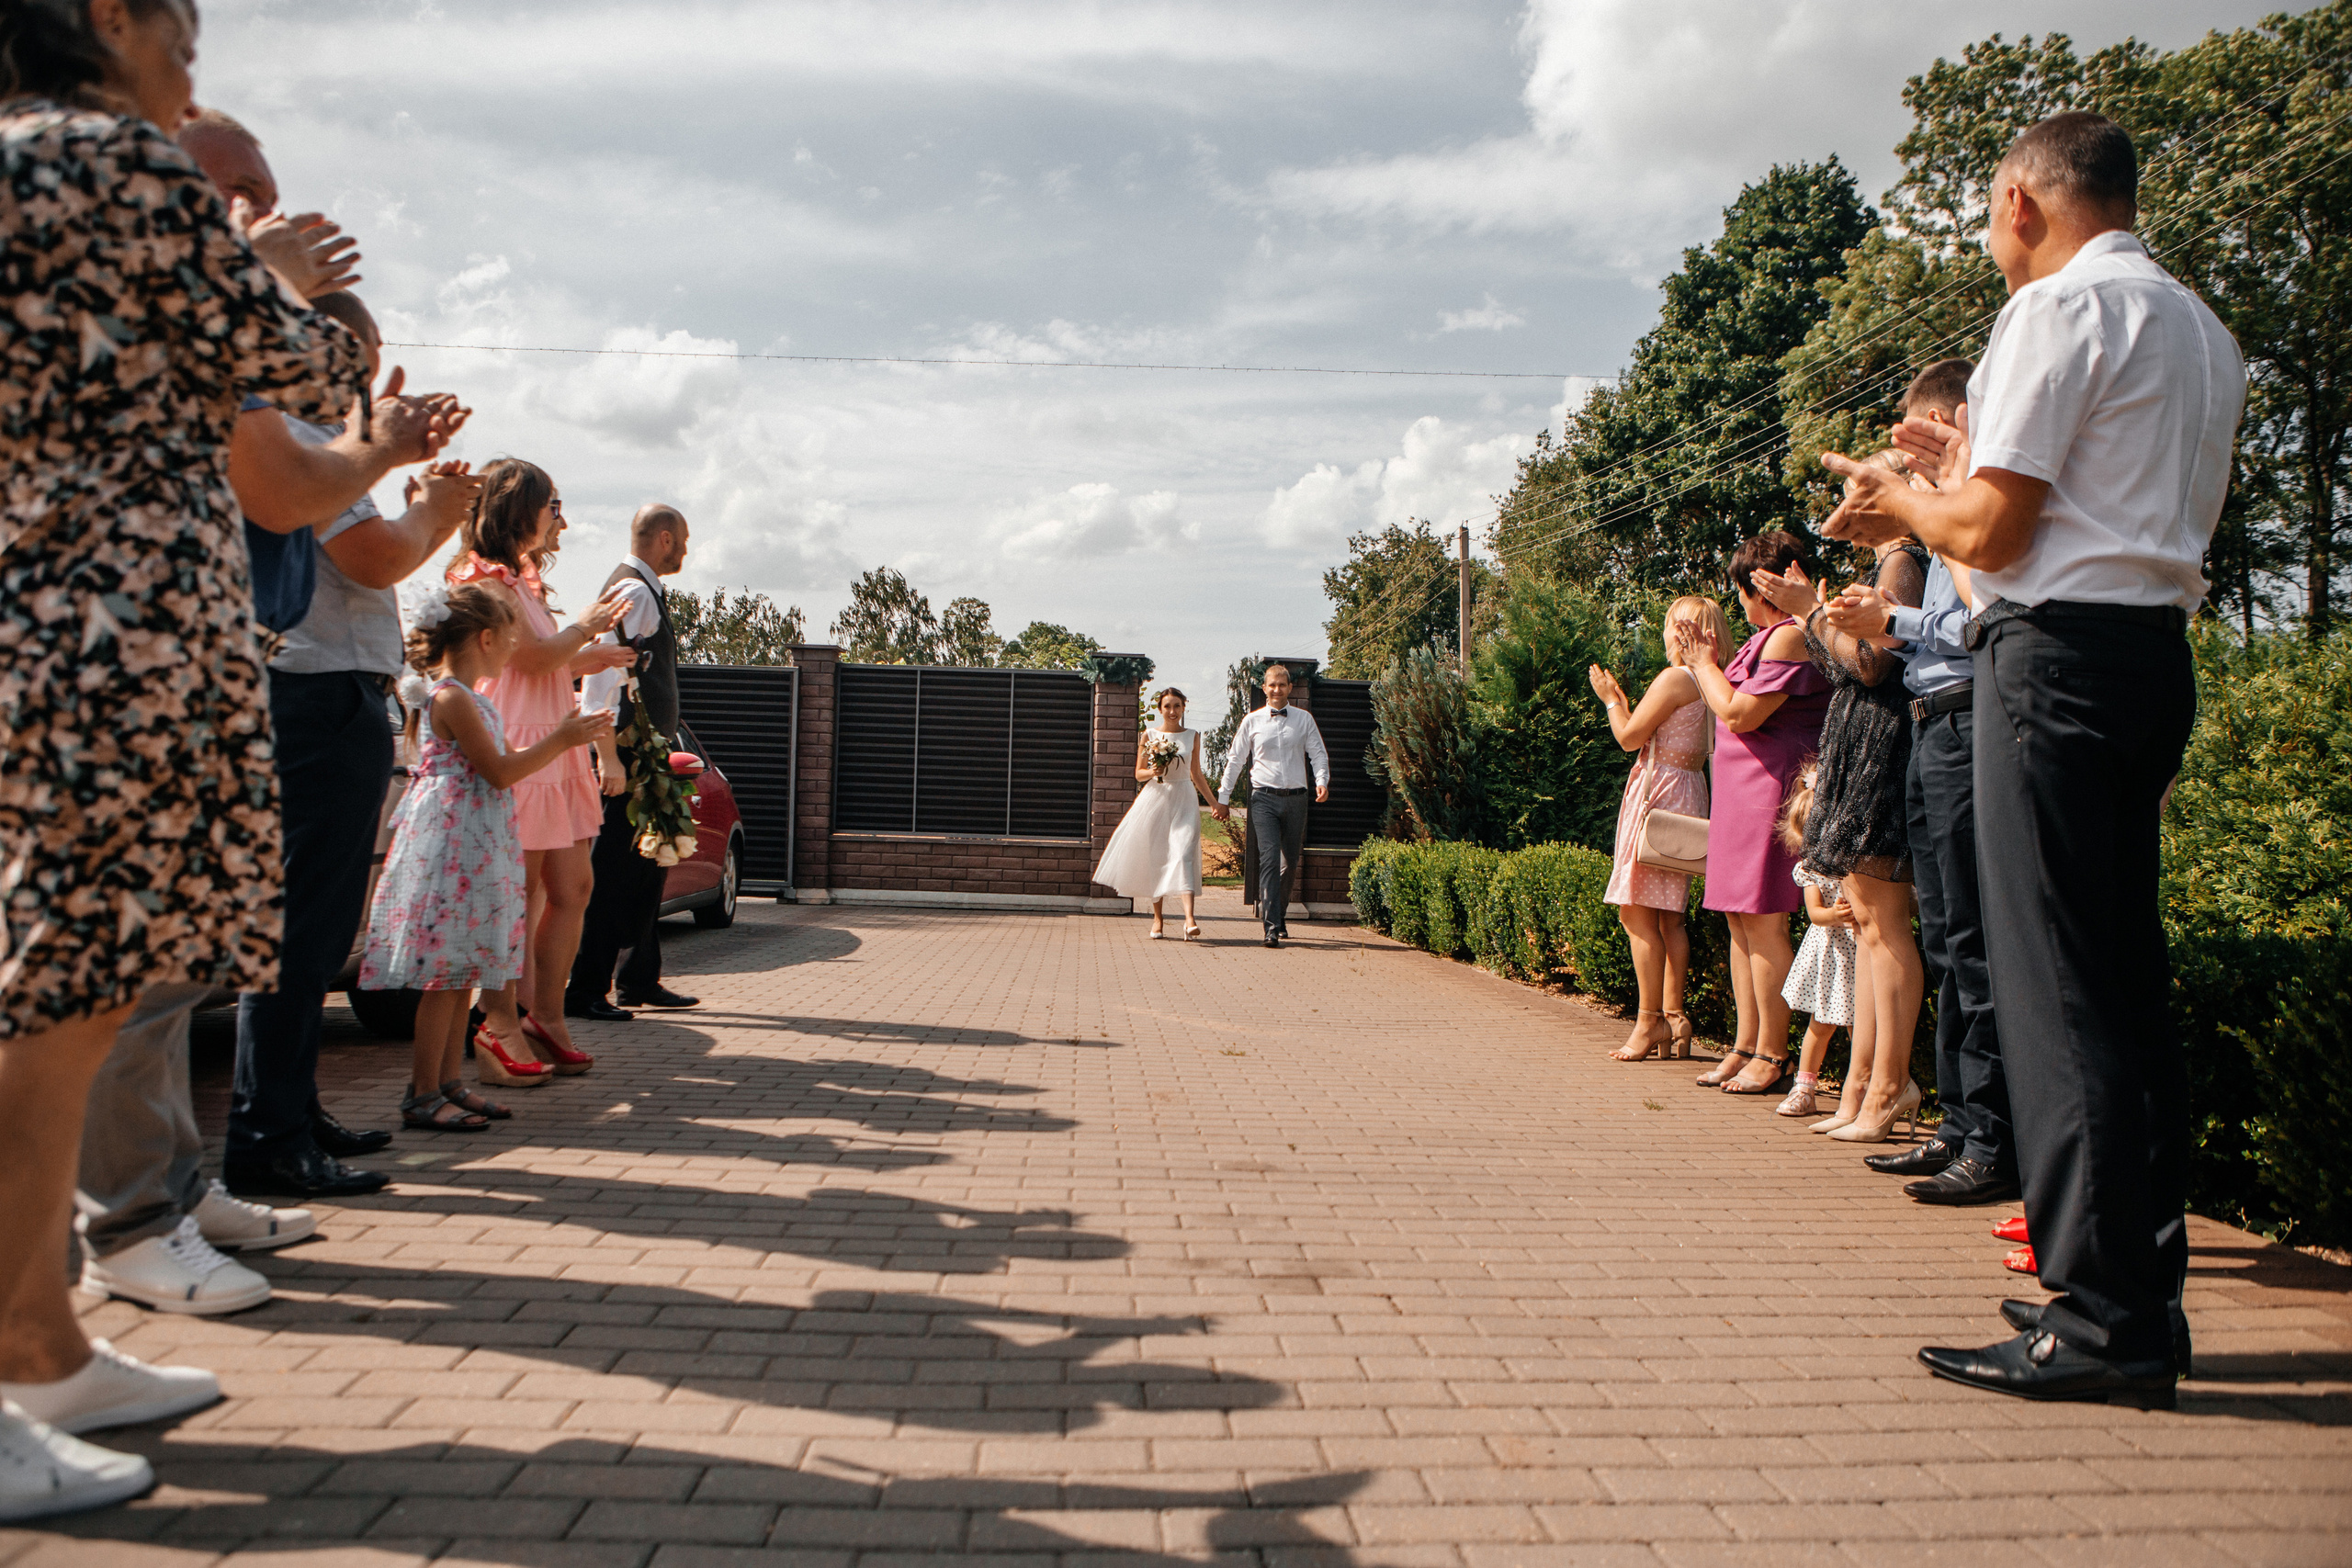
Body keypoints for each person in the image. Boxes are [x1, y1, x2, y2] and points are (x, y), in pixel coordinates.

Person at [0, 0, 370, 1517]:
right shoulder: (113, 160)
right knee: (65, 994)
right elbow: (293, 368)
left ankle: (43, 1343)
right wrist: (281, 285)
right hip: (117, 636)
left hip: (62, 619)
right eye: (185, 34)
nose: (190, 61)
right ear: (107, 19)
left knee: (76, 989)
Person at [1820, 111, 2246, 1405]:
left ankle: (2101, 1317)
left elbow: (1997, 536)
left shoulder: (2056, 311)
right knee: (2114, 978)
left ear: (2019, 201)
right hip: (2146, 654)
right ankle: (2133, 1284)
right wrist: (1951, 480)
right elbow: (2082, 503)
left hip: (2049, 664)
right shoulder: (2199, 326)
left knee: (2054, 984)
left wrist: (1902, 500)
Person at [1824, 358, 2021, 1204]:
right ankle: (1957, 1123)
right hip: (1930, 720)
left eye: (1918, 442)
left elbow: (1976, 617)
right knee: (1944, 937)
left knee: (1973, 939)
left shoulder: (1979, 514)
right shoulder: (1945, 518)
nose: (1907, 467)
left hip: (1971, 715)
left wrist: (1892, 617)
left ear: (1952, 422)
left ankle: (1992, 1136)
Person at [361, 583, 611, 1129]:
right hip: (454, 851)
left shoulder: (468, 698)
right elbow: (498, 771)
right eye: (512, 639)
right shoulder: (451, 698)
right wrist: (562, 740)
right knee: (445, 980)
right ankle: (422, 1093)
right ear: (488, 638)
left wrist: (558, 739)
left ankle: (447, 1083)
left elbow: (498, 763)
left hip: (472, 846)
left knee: (462, 974)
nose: (515, 652)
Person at [1748, 515, 1929, 1140]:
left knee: (1885, 929)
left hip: (1883, 754)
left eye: (1861, 485)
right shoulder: (1884, 567)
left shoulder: (1903, 562)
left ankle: (1886, 1085)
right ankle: (1861, 1087)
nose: (1848, 499)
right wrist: (1813, 614)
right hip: (1863, 751)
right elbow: (1845, 664)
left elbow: (1875, 665)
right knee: (1874, 930)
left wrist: (1809, 612)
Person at [448, 462, 635, 1069]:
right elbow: (524, 660)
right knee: (517, 895)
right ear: (518, 507)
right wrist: (586, 627)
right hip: (522, 747)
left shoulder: (521, 581)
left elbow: (543, 664)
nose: (561, 518)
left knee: (573, 887)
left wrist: (587, 654)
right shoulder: (483, 577)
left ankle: (546, 1014)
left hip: (556, 745)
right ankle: (498, 1021)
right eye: (553, 504)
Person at [1671, 532, 1829, 1092]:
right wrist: (1708, 664)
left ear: (1752, 587)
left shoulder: (1790, 636)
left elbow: (1740, 714)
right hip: (1740, 793)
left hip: (1771, 791)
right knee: (1740, 923)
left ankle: (1774, 1053)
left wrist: (1701, 663)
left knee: (1764, 924)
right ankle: (1744, 1044)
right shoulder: (1762, 638)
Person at [570, 504, 702, 1018]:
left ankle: (639, 979)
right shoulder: (633, 592)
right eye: (684, 540)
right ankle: (584, 989)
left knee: (650, 865)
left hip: (645, 755)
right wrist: (609, 757)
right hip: (626, 754)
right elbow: (601, 677)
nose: (688, 551)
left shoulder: (643, 591)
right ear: (665, 539)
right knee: (616, 872)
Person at [1586, 595, 1726, 1062]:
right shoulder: (1712, 680)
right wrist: (1625, 702)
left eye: (1669, 625)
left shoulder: (1673, 679)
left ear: (1680, 631)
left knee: (1635, 912)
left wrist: (1611, 701)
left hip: (1656, 794)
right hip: (1689, 792)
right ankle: (1674, 1015)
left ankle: (1648, 1023)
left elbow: (1628, 738)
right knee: (1670, 917)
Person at [1213, 663, 1329, 949]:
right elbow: (1235, 760)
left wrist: (1322, 780)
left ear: (1289, 688)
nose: (1277, 690)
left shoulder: (1304, 720)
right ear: (1264, 689)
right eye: (1271, 685)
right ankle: (1271, 928)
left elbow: (1318, 753)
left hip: (1297, 798)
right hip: (1263, 798)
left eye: (1282, 685)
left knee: (1289, 863)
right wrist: (1223, 798)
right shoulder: (1251, 721)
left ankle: (1279, 913)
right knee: (1268, 860)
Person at [1773, 764, 1865, 1122]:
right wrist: (1838, 914)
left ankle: (1860, 1088)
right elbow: (1815, 913)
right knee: (1821, 1023)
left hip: (1858, 953)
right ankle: (1805, 1087)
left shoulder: (1858, 863)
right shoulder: (1812, 868)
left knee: (1863, 1028)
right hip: (1832, 953)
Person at [1094, 687, 1216, 938]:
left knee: (1183, 853)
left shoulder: (1193, 736)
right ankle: (1158, 919)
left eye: (1177, 706)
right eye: (1167, 706)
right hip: (1156, 798)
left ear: (1184, 708)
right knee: (1158, 856)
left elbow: (1196, 774)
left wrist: (1214, 803)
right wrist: (1154, 772)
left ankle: (1189, 919)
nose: (1172, 711)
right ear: (1160, 709)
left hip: (1184, 798)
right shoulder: (1149, 734)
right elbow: (1138, 773)